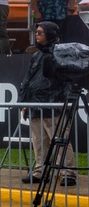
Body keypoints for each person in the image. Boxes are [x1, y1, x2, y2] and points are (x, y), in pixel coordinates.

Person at [18, 21, 77, 186]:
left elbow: (65, 82)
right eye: (36, 32)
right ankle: (40, 171)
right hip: (36, 106)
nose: (36, 35)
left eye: (40, 32)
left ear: (49, 34)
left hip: (54, 106)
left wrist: (63, 103)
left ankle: (67, 173)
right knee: (39, 141)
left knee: (59, 139)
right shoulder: (36, 56)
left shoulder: (59, 54)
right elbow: (27, 80)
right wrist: (24, 102)